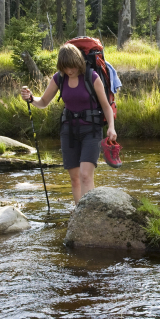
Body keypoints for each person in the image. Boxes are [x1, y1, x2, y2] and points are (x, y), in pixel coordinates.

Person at [20, 43, 117, 204]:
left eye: (71, 67)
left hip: (91, 131)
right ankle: (79, 212)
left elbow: (106, 107)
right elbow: (43, 102)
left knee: (85, 175)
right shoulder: (59, 78)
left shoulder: (92, 77)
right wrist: (30, 98)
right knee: (75, 179)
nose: (69, 71)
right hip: (69, 132)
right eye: (65, 68)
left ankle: (87, 212)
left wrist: (111, 128)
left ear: (78, 62)